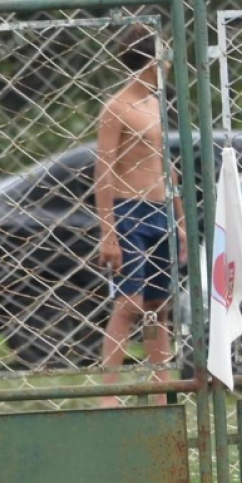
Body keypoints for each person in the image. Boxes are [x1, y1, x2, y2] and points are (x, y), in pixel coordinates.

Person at [95, 25, 186, 407]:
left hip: (160, 211)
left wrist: (179, 220)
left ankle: (159, 385)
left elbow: (168, 167)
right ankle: (109, 391)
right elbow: (103, 170)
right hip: (129, 210)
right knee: (129, 303)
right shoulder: (116, 107)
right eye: (163, 57)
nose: (167, 65)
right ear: (150, 62)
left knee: (156, 306)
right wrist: (108, 232)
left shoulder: (154, 104)